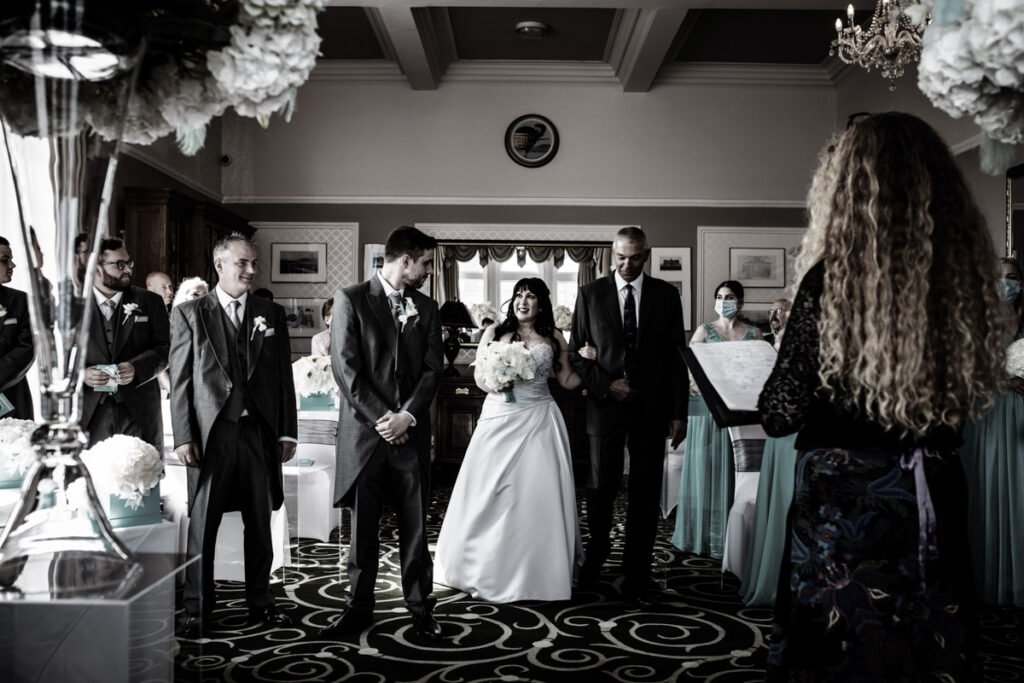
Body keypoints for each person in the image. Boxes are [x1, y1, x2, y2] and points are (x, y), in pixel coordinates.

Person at [759, 112, 1003, 679]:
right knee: (925, 629)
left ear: (846, 185)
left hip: (845, 497)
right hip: (930, 484)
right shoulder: (959, 280)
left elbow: (779, 413)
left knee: (842, 639)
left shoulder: (830, 279)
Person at [169, 233, 297, 638]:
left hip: (258, 434)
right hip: (212, 435)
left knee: (260, 523)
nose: (251, 270)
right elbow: (181, 382)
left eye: (254, 263)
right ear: (219, 264)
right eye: (243, 263)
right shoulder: (190, 313)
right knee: (202, 525)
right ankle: (197, 608)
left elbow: (282, 379)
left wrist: (287, 432)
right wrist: (183, 435)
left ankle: (261, 603)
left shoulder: (269, 313)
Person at [320, 226, 443, 639]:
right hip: (366, 436)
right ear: (405, 260)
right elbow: (346, 370)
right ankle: (358, 607)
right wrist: (383, 419)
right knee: (363, 529)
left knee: (416, 525)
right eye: (425, 263)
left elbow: (432, 370)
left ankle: (421, 607)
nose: (429, 272)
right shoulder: (351, 299)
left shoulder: (427, 308)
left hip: (408, 433)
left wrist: (406, 417)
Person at [435, 278, 584, 602]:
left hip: (539, 418)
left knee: (536, 494)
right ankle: (481, 564)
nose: (523, 301)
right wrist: (493, 383)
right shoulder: (494, 333)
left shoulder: (554, 337)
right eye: (518, 295)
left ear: (541, 303)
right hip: (498, 419)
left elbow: (568, 379)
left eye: (530, 296)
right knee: (489, 492)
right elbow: (479, 377)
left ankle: (537, 569)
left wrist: (593, 361)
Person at [569, 226, 686, 607]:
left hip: (651, 409)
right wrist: (606, 386)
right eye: (621, 256)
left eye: (635, 257)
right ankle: (597, 557)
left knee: (645, 491)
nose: (627, 264)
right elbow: (574, 356)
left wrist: (678, 413)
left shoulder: (667, 296)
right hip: (604, 409)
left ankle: (637, 567)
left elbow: (676, 360)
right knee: (600, 488)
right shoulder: (590, 294)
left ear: (646, 255)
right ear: (611, 253)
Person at [672, 280, 760, 560]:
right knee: (705, 470)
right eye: (720, 296)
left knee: (733, 472)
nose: (724, 301)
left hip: (738, 410)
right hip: (706, 410)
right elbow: (691, 373)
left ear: (741, 302)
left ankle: (729, 537)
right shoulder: (704, 331)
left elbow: (756, 371)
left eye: (730, 297)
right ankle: (702, 535)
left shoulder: (754, 333)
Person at [959, 256, 1024, 607]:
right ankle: (982, 577)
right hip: (985, 413)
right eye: (999, 278)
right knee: (984, 488)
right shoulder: (975, 322)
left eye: (1013, 278)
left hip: (1021, 415)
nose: (1007, 284)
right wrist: (1006, 378)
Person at [81, 238, 169, 450]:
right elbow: (55, 356)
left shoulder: (150, 302)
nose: (128, 269)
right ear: (97, 268)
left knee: (141, 476)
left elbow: (165, 349)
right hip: (88, 412)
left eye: (129, 263)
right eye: (119, 265)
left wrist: (136, 368)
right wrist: (80, 374)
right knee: (90, 479)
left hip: (138, 410)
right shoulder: (73, 306)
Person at [0, 236, 34, 420]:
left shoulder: (21, 301)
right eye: (5, 260)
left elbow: (27, 349)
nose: (12, 265)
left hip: (11, 398)